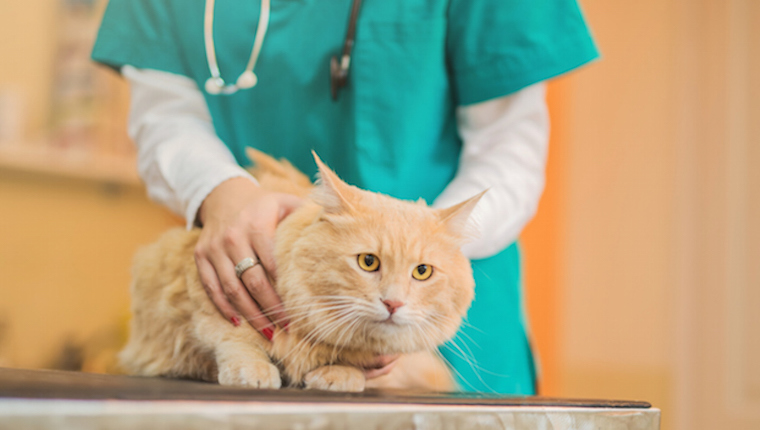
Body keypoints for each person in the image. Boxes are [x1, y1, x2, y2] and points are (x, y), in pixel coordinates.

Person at [92, 0, 597, 394]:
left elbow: (509, 149)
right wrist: (222, 195)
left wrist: (428, 250)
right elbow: (164, 115)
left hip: (437, 307)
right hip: (259, 271)